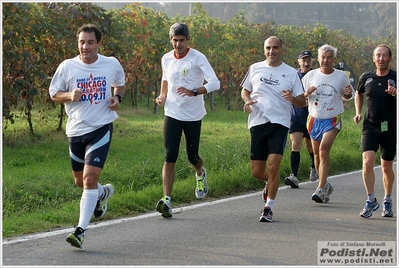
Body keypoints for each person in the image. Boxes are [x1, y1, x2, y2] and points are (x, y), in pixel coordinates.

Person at [49, 24, 125, 248]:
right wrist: (69, 95)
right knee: (79, 181)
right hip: (75, 130)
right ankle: (102, 194)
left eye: (90, 42)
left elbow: (119, 83)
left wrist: (117, 98)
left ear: (98, 44)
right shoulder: (67, 66)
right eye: (82, 42)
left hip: (101, 128)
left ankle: (80, 230)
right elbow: (54, 93)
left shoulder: (110, 63)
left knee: (89, 178)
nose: (85, 46)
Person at [155, 23, 220, 218]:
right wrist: (162, 95)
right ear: (170, 40)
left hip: (193, 115)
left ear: (187, 40)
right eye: (174, 40)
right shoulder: (166, 58)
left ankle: (200, 174)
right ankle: (167, 200)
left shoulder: (197, 58)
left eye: (181, 40)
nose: (178, 44)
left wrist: (194, 91)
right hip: (172, 113)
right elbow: (165, 79)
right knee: (169, 155)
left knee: (192, 156)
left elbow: (215, 82)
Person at [241, 36, 306, 222]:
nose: (272, 51)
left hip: (280, 123)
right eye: (268, 48)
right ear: (264, 50)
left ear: (282, 50)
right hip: (257, 121)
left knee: (274, 164)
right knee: (256, 171)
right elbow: (245, 90)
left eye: (275, 47)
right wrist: (247, 101)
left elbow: (302, 102)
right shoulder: (255, 68)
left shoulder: (291, 73)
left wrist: (293, 98)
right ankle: (270, 182)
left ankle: (269, 207)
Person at [301, 44, 354, 203]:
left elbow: (347, 95)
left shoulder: (340, 76)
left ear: (334, 59)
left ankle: (320, 188)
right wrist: (307, 93)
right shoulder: (310, 75)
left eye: (329, 57)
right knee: (316, 156)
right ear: (318, 59)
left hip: (332, 119)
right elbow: (300, 97)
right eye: (323, 57)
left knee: (324, 150)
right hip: (313, 119)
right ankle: (325, 185)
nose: (326, 60)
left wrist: (346, 94)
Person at [353, 44, 396, 218]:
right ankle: (371, 200)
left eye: (384, 55)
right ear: (373, 58)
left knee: (386, 167)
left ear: (390, 58)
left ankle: (387, 199)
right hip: (370, 126)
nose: (381, 58)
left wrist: (395, 93)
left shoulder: (395, 77)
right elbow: (359, 93)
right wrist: (357, 112)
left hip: (390, 127)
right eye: (378, 55)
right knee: (368, 162)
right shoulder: (366, 77)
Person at [284, 50, 318, 189]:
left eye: (308, 59)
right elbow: (291, 94)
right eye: (303, 59)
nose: (306, 62)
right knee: (295, 144)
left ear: (312, 61)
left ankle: (314, 166)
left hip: (312, 116)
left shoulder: (316, 76)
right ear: (298, 61)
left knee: (310, 146)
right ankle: (294, 176)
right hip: (296, 116)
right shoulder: (293, 76)